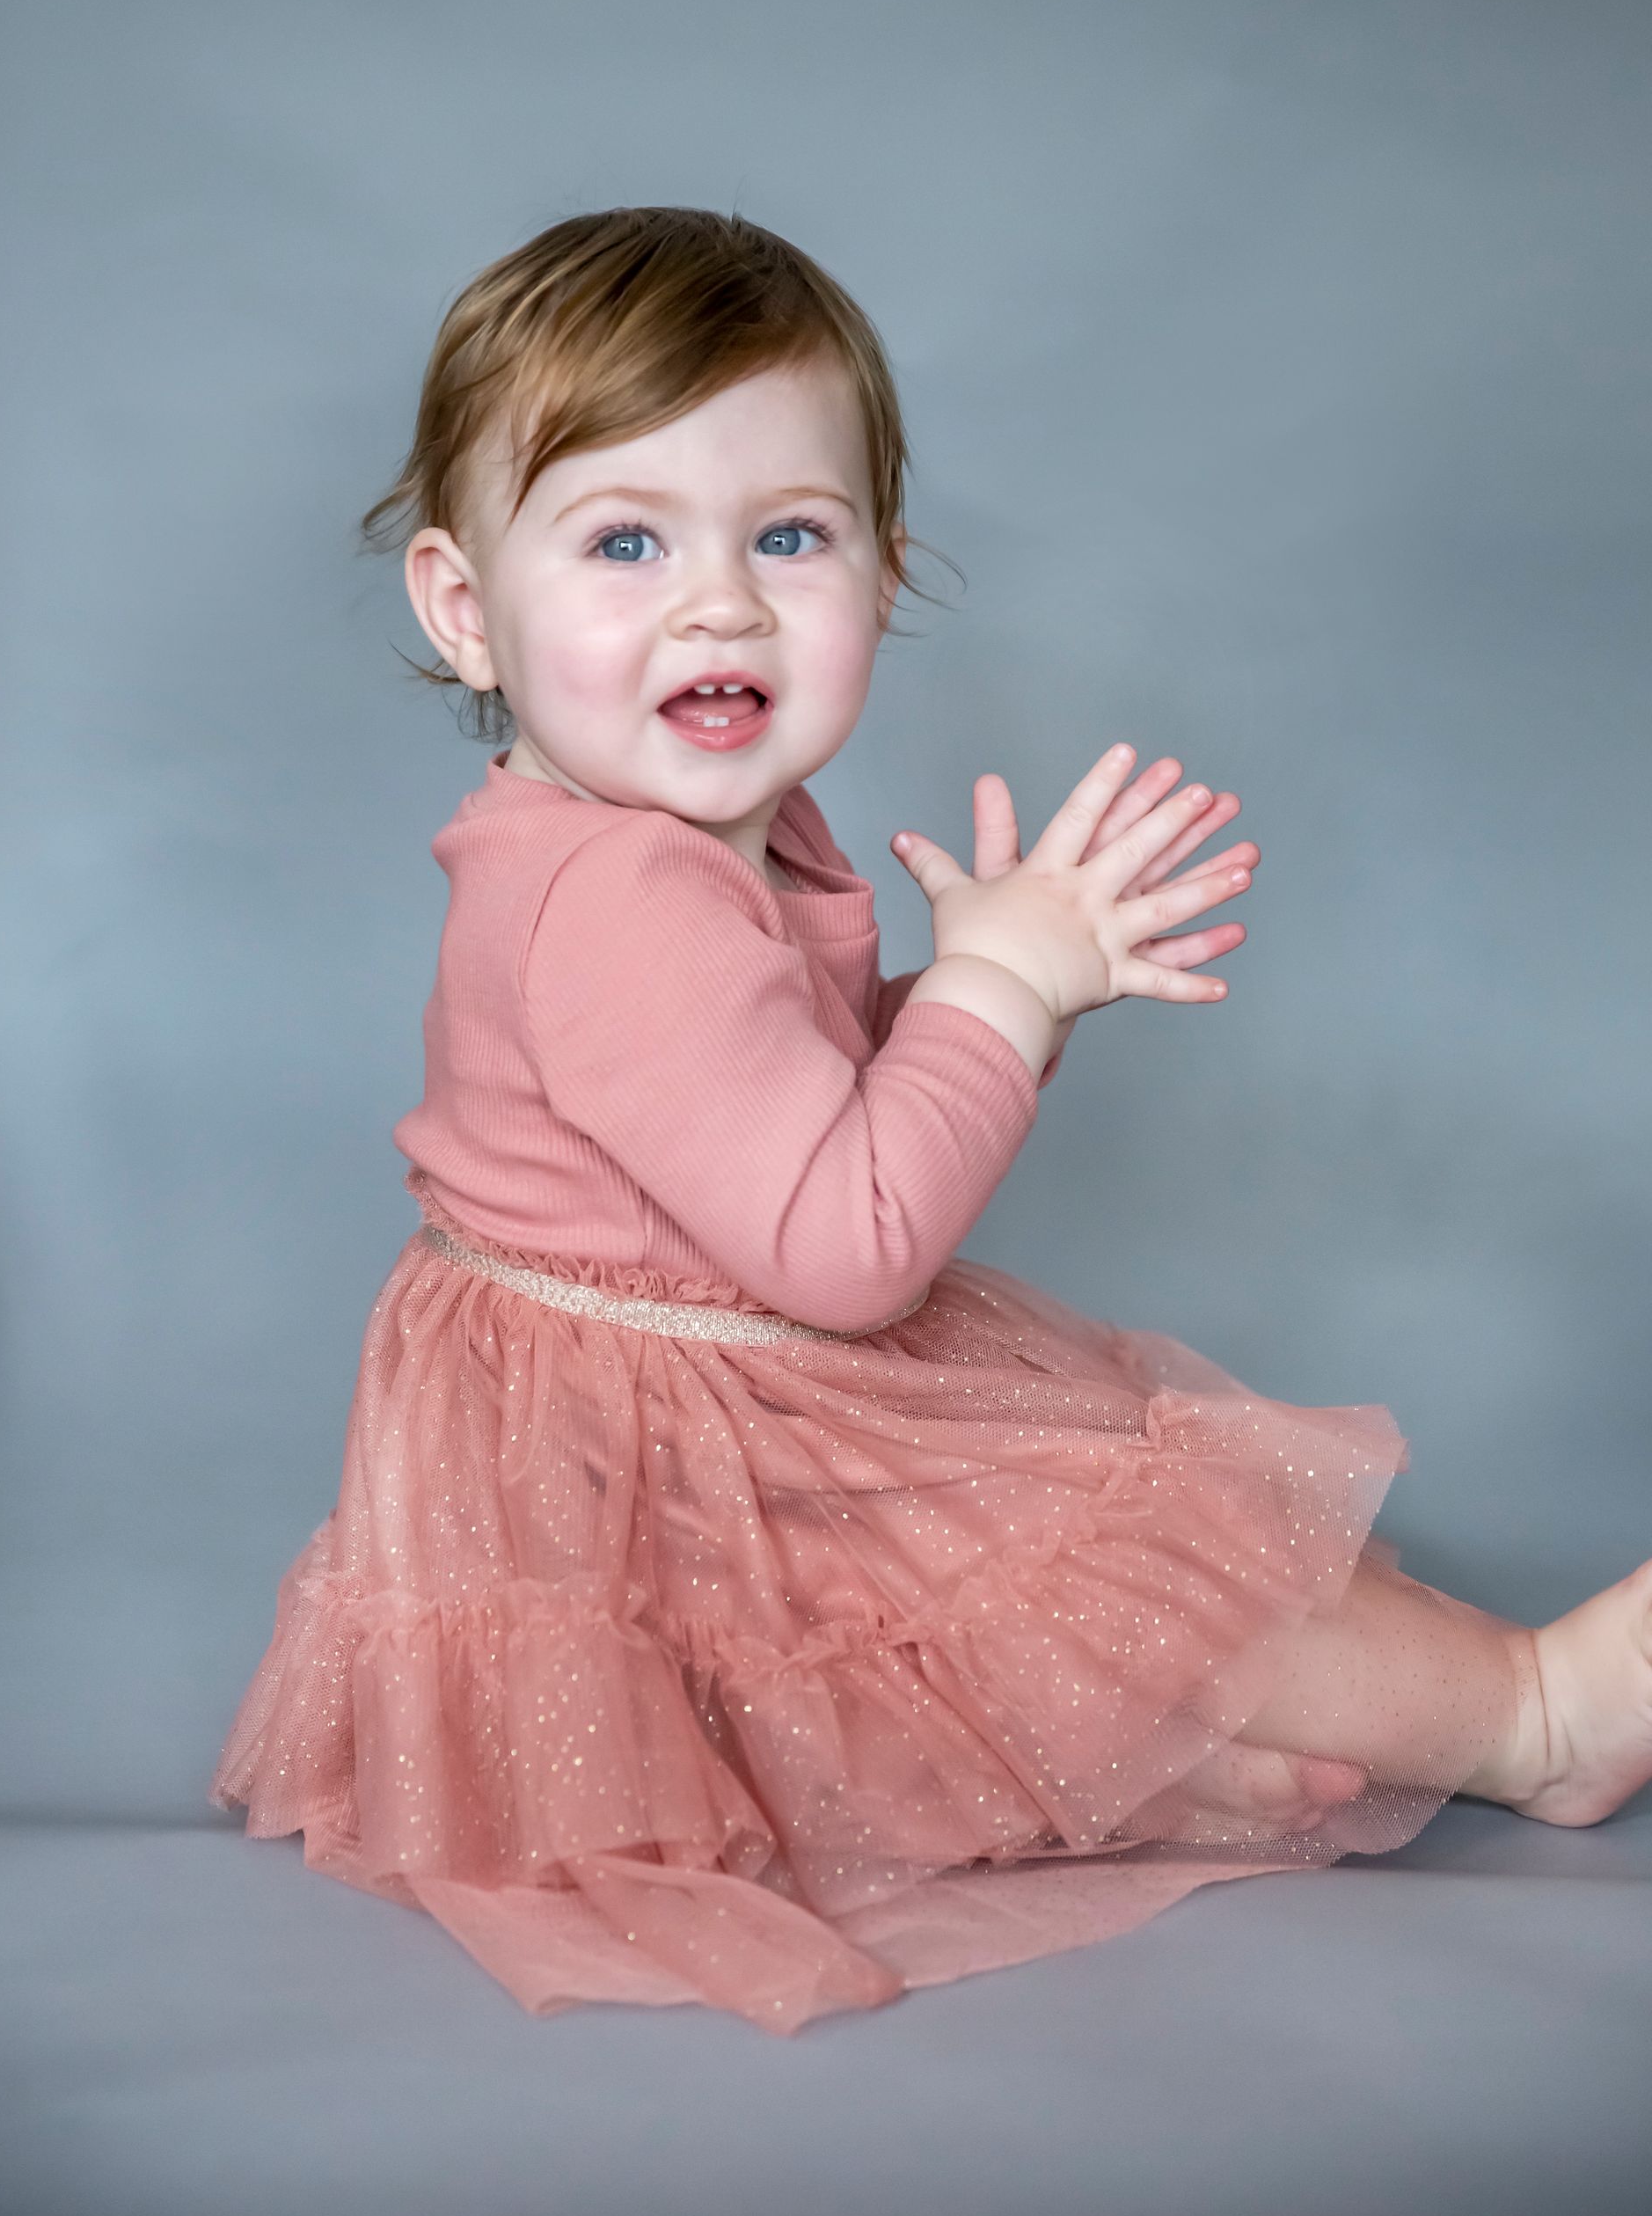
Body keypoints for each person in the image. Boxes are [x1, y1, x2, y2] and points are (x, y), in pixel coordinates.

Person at [209, 206, 1652, 2037]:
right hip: (663, 1419)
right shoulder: (621, 898)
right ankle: (1536, 1719)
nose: (718, 600)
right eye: (625, 540)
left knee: (951, 1639)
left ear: (883, 576)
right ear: (462, 605)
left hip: (625, 1382)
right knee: (1141, 1558)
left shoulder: (663, 836)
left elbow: (772, 1118)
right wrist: (1005, 994)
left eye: (789, 537)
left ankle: (1139, 1767)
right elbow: (847, 1247)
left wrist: (961, 999)